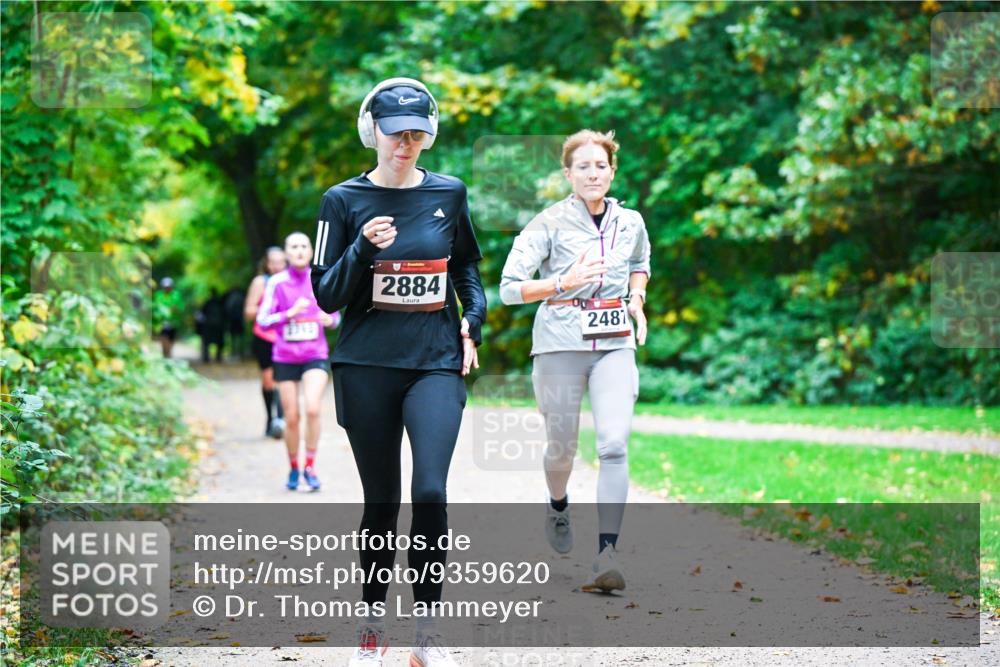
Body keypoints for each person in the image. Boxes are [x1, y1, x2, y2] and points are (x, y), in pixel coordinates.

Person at [310, 77, 486, 667]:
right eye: (395, 134)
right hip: (366, 365)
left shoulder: (449, 193)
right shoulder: (342, 200)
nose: (405, 145)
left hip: (434, 362)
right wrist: (362, 249)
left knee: (430, 491)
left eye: (416, 134)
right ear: (372, 133)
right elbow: (326, 295)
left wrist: (473, 322)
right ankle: (371, 627)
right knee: (382, 501)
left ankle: (427, 635)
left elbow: (466, 270)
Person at [499, 129, 651, 594]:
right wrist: (564, 281)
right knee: (561, 449)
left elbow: (640, 263)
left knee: (614, 446)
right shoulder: (547, 223)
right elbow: (509, 289)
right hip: (559, 344)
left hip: (615, 344)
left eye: (600, 166)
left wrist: (637, 299)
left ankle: (607, 553)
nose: (593, 174)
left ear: (612, 171)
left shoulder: (631, 222)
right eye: (583, 167)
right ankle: (558, 502)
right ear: (568, 174)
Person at [257, 233, 340, 491]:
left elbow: (335, 315)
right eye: (294, 246)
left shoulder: (321, 278)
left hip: (315, 354)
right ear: (286, 253)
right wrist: (288, 314)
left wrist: (330, 320)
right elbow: (262, 320)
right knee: (291, 417)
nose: (300, 250)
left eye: (304, 246)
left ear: (311, 251)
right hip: (285, 357)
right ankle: (294, 467)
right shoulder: (277, 283)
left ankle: (310, 467)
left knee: (312, 408)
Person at [245, 247, 288, 438]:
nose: (277, 266)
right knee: (269, 380)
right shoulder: (260, 282)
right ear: (267, 264)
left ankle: (281, 420)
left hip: (286, 337)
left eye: (281, 262)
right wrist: (269, 309)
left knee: (284, 379)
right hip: (265, 337)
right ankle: (270, 419)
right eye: (273, 262)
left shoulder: (290, 280)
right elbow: (248, 312)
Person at [152, 277, 183, 358]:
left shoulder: (176, 295)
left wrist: (176, 309)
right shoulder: (158, 295)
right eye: (165, 287)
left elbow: (181, 307)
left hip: (173, 321)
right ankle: (165, 352)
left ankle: (168, 352)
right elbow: (154, 306)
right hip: (161, 321)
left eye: (168, 287)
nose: (167, 289)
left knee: (171, 338)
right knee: (163, 337)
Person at [195, 288, 226, 363]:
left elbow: (201, 314)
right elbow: (225, 313)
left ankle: (206, 357)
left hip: (208, 324)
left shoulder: (207, 302)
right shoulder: (221, 303)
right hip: (219, 324)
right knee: (219, 341)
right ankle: (218, 357)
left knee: (206, 341)